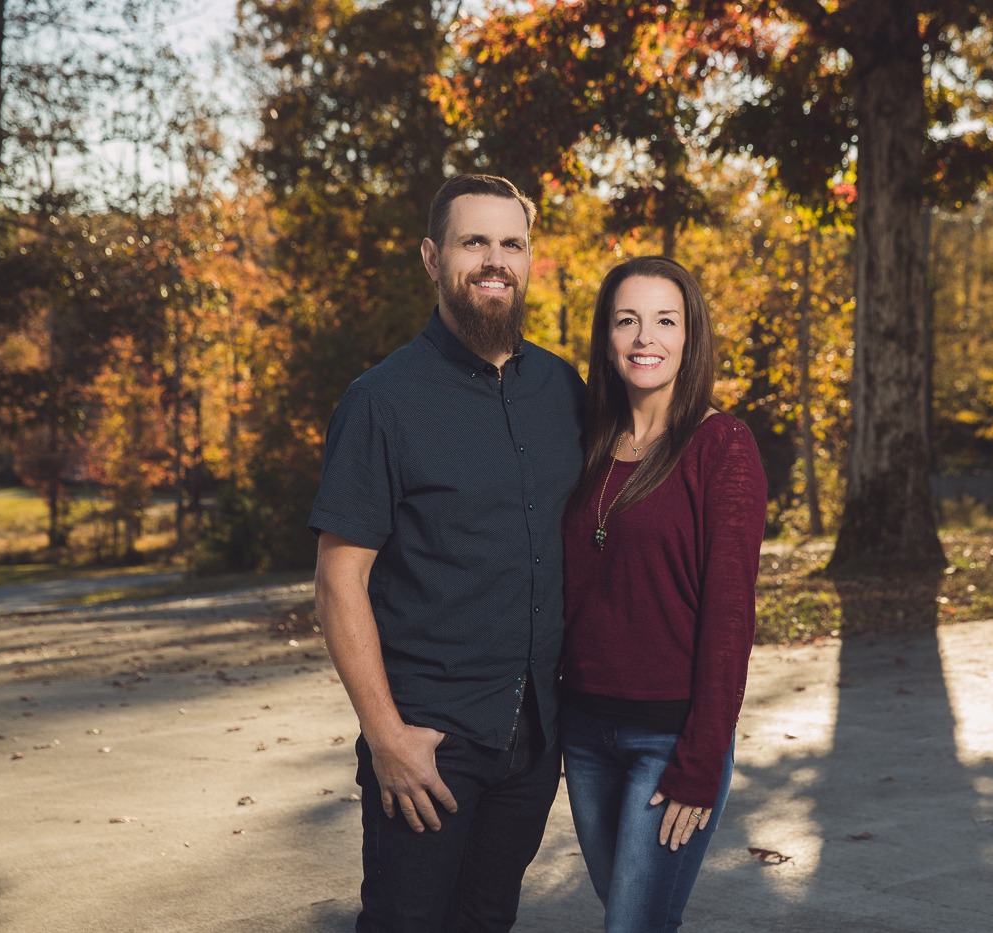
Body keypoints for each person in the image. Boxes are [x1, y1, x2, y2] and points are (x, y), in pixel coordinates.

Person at [309, 173, 585, 932]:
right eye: (474, 242)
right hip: (427, 743)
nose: (494, 260)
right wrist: (386, 737)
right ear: (434, 258)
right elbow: (340, 584)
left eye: (511, 243)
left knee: (487, 919)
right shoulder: (381, 400)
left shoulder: (563, 391)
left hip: (532, 741)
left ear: (530, 262)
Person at [559, 256, 767, 932]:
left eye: (665, 320)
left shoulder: (722, 447)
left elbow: (731, 617)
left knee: (633, 924)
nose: (646, 337)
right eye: (628, 320)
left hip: (670, 738)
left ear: (690, 335)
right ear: (607, 336)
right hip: (586, 733)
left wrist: (701, 757)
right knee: (636, 915)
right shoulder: (586, 443)